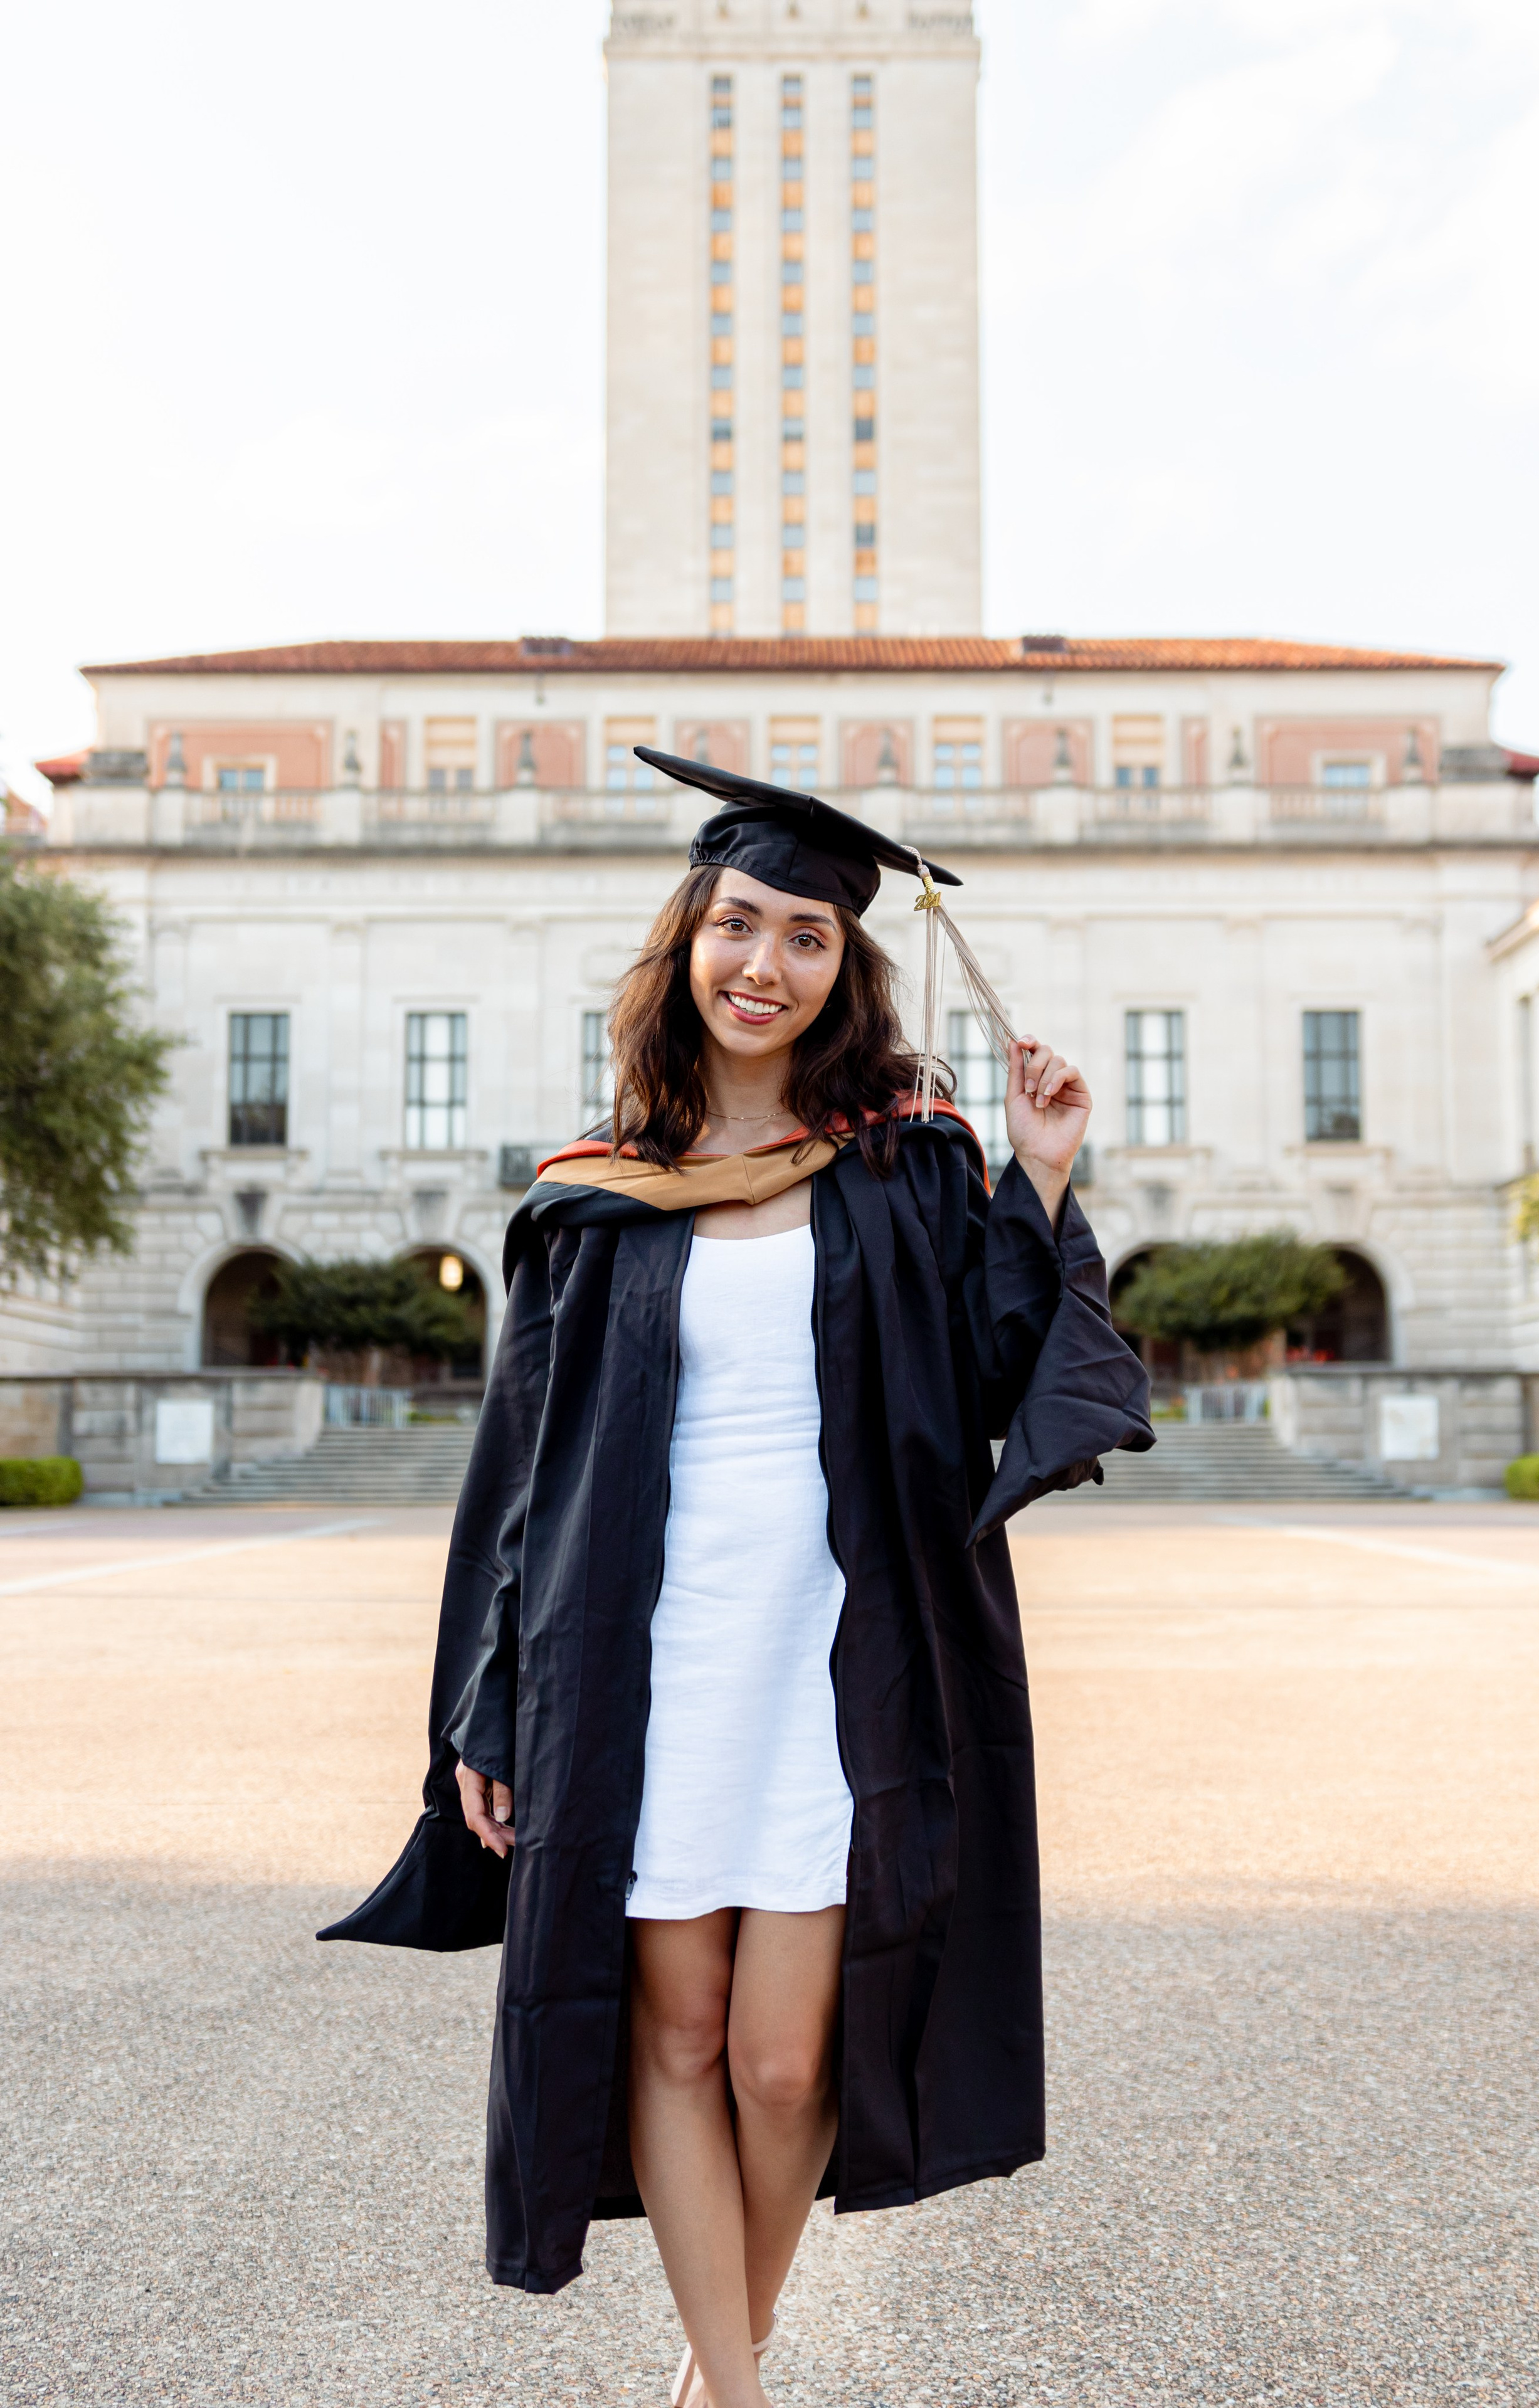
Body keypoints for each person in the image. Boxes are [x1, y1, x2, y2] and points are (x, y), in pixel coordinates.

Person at [320, 754, 1153, 2408]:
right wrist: (489, 1700)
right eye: (739, 925)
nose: (765, 965)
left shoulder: (907, 1161)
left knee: (783, 2065)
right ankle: (731, 2391)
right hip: (644, 1657)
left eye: (807, 938)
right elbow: (522, 1481)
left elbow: (997, 1376)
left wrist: (1043, 1175)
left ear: (848, 968)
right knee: (678, 2034)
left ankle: (719, 2374)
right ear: (687, 941)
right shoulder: (592, 1195)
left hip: (840, 1659)